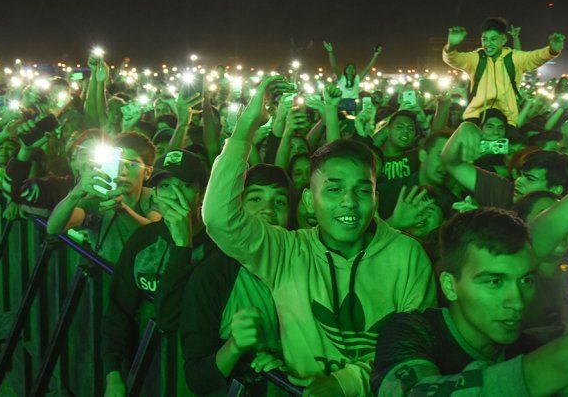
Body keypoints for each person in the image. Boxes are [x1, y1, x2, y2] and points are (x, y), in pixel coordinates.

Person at [203, 75, 436, 396]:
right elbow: (218, 218)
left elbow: (415, 349)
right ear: (310, 199)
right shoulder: (286, 252)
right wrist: (245, 128)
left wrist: (344, 382)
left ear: (376, 198)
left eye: (362, 190)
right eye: (334, 189)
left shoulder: (408, 255)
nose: (349, 202)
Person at [372, 208, 568, 396]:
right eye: (494, 281)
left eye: (526, 281)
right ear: (450, 286)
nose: (516, 301)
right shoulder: (412, 331)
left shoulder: (528, 347)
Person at [102, 148, 214, 396]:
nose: (173, 196)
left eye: (184, 185)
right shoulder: (143, 241)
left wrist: (182, 246)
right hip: (144, 371)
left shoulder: (218, 247)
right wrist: (112, 374)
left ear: (201, 193)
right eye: (164, 187)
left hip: (193, 380)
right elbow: (118, 309)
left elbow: (171, 319)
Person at [180, 164, 292, 395]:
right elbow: (197, 379)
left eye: (279, 201)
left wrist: (285, 362)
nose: (268, 210)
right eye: (255, 199)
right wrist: (235, 346)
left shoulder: (304, 267)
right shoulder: (212, 276)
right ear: (237, 208)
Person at [46, 131, 160, 262]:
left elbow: (154, 235)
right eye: (118, 163)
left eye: (133, 164)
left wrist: (122, 210)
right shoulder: (98, 199)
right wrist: (76, 193)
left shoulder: (154, 196)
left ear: (148, 172)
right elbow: (53, 228)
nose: (123, 171)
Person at [443, 17, 566, 124]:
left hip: (507, 119)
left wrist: (552, 50)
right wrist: (451, 45)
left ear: (503, 40)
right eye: (484, 39)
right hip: (475, 117)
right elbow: (453, 58)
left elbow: (537, 56)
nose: (488, 44)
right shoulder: (476, 57)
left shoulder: (515, 58)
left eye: (493, 39)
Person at [441, 121, 568, 209]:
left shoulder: (564, 220)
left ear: (555, 190)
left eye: (530, 178)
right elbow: (452, 163)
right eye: (520, 175)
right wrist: (465, 127)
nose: (519, 181)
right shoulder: (504, 192)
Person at [323, 41, 383, 112]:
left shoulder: (357, 79)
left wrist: (376, 55)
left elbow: (368, 68)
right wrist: (330, 52)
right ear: (345, 70)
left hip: (354, 104)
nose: (351, 69)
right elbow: (334, 66)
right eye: (349, 68)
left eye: (353, 68)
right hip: (342, 103)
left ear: (355, 71)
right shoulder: (341, 78)